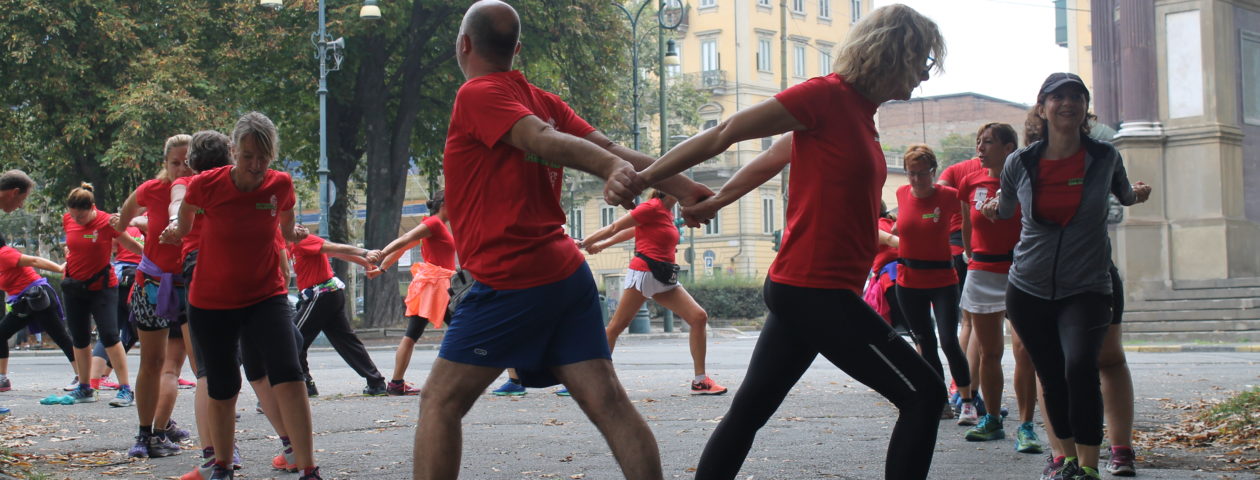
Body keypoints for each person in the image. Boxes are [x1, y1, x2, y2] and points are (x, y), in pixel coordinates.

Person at [634, 5, 946, 478]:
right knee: (925, 394)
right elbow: (726, 131)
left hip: (807, 288)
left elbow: (772, 160)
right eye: (921, 59)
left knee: (748, 413)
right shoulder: (824, 97)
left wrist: (717, 202)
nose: (924, 74)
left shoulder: (862, 116)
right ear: (893, 52)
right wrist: (645, 177)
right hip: (815, 289)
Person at [413, 2, 711, 478]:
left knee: (438, 403)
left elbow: (543, 140)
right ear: (517, 49)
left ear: (463, 44)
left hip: (507, 277)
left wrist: (618, 170)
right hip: (564, 274)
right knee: (609, 403)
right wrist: (683, 186)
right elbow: (610, 146)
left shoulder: (477, 94)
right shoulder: (541, 98)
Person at [981, 72, 1151, 480]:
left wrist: (1136, 195)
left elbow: (1123, 192)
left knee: (1080, 366)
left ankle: (1090, 467)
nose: (1068, 103)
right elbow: (1005, 209)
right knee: (1051, 373)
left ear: (1085, 108)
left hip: (1087, 285)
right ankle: (1066, 460)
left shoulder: (1104, 156)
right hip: (1029, 286)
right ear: (1042, 107)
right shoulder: (1019, 162)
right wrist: (991, 210)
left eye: (1077, 96)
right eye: (1058, 97)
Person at [167, 112, 321, 480]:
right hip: (211, 299)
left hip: (265, 294)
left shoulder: (280, 184)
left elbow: (284, 226)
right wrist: (175, 229)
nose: (255, 165)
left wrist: (294, 233)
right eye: (248, 155)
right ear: (234, 150)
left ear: (272, 155)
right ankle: (221, 465)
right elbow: (184, 217)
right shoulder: (207, 184)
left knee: (289, 372)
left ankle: (309, 467)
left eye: (263, 157)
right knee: (222, 384)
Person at [580, 189, 726, 395]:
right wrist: (588, 243)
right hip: (645, 273)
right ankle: (590, 380)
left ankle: (700, 381)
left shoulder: (667, 212)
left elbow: (634, 231)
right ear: (668, 189)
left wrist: (603, 245)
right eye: (679, 184)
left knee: (698, 317)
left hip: (665, 276)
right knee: (615, 328)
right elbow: (615, 227)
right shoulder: (651, 207)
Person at [954, 122, 1045, 451]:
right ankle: (991, 419)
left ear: (1009, 148)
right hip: (981, 270)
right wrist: (969, 255)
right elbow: (966, 223)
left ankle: (1026, 426)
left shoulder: (1025, 179)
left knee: (1024, 351)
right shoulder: (969, 182)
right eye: (978, 141)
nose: (980, 147)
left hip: (1020, 272)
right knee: (990, 353)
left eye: (988, 141)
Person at [114, 135, 194, 458]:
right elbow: (119, 222)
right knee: (151, 363)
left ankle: (216, 448)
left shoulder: (204, 191)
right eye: (175, 162)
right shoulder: (151, 190)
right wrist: (140, 246)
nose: (181, 168)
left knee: (200, 366)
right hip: (151, 285)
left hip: (190, 286)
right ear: (165, 163)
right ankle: (145, 435)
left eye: (188, 161)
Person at [893, 145, 970, 422]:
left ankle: (968, 399)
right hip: (909, 280)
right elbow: (905, 224)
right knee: (925, 342)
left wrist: (967, 248)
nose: (916, 180)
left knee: (949, 340)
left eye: (922, 173)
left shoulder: (948, 196)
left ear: (933, 172)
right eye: (911, 173)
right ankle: (940, 402)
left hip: (942, 280)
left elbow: (968, 217)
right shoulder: (901, 194)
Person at [60, 183, 142, 407]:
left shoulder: (107, 221)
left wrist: (151, 258)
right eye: (74, 215)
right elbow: (73, 244)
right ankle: (85, 387)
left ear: (92, 208)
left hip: (102, 287)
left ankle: (125, 389)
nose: (77, 220)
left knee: (109, 336)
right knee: (79, 338)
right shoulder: (67, 219)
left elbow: (128, 243)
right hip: (74, 286)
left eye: (82, 216)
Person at [366, 190, 455, 397]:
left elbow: (404, 246)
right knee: (462, 329)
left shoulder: (437, 226)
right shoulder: (433, 224)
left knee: (414, 334)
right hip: (436, 287)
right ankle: (450, 380)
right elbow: (404, 239)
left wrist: (383, 268)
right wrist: (380, 256)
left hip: (436, 286)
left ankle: (397, 383)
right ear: (444, 204)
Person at [0, 170, 78, 396]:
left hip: (34, 296)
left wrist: (60, 267)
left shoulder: (4, 254)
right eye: (22, 199)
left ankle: (83, 377)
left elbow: (34, 260)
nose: (20, 206)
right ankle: (2, 378)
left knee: (60, 336)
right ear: (14, 192)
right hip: (25, 299)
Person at [288, 233, 386, 396]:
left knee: (292, 339)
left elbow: (335, 248)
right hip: (330, 295)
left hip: (322, 294)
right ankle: (376, 383)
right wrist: (364, 262)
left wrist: (365, 253)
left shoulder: (303, 240)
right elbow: (336, 253)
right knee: (346, 341)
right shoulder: (288, 245)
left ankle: (305, 385)